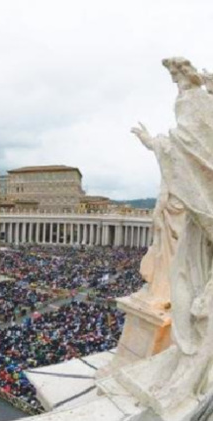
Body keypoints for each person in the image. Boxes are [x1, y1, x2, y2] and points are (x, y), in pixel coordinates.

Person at [131, 57, 213, 413]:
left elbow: (191, 146)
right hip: (199, 223)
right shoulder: (192, 103)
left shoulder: (195, 102)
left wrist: (161, 144)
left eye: (177, 74)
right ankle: (189, 354)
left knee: (191, 289)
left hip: (203, 214)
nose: (175, 81)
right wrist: (156, 144)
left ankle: (194, 363)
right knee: (183, 276)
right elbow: (183, 146)